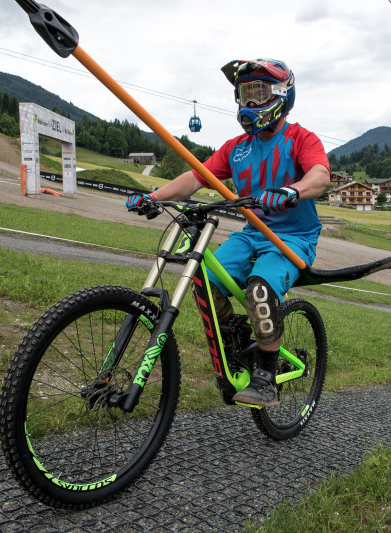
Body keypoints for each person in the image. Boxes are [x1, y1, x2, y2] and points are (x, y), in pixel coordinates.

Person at [126, 59, 331, 406]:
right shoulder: (237, 148)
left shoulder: (300, 138)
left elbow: (320, 177)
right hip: (252, 233)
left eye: (259, 93)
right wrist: (154, 196)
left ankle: (265, 376)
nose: (250, 103)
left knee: (259, 291)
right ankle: (236, 340)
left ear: (282, 95)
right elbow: (195, 177)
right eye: (244, 94)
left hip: (292, 239)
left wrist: (292, 191)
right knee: (203, 279)